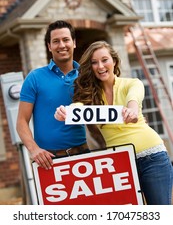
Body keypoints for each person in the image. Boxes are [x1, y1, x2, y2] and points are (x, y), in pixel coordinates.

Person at [55, 40, 173, 205]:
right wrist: (65, 112)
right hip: (119, 164)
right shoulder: (90, 95)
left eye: (104, 60)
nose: (100, 66)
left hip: (152, 157)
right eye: (94, 62)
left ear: (114, 61)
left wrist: (132, 110)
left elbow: (134, 98)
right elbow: (78, 107)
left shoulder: (132, 83)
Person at [16, 20, 104, 170]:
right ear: (49, 47)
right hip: (49, 162)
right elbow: (21, 122)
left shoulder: (85, 77)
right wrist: (34, 150)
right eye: (56, 41)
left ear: (74, 43)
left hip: (84, 155)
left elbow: (99, 114)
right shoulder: (35, 77)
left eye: (65, 40)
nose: (62, 45)